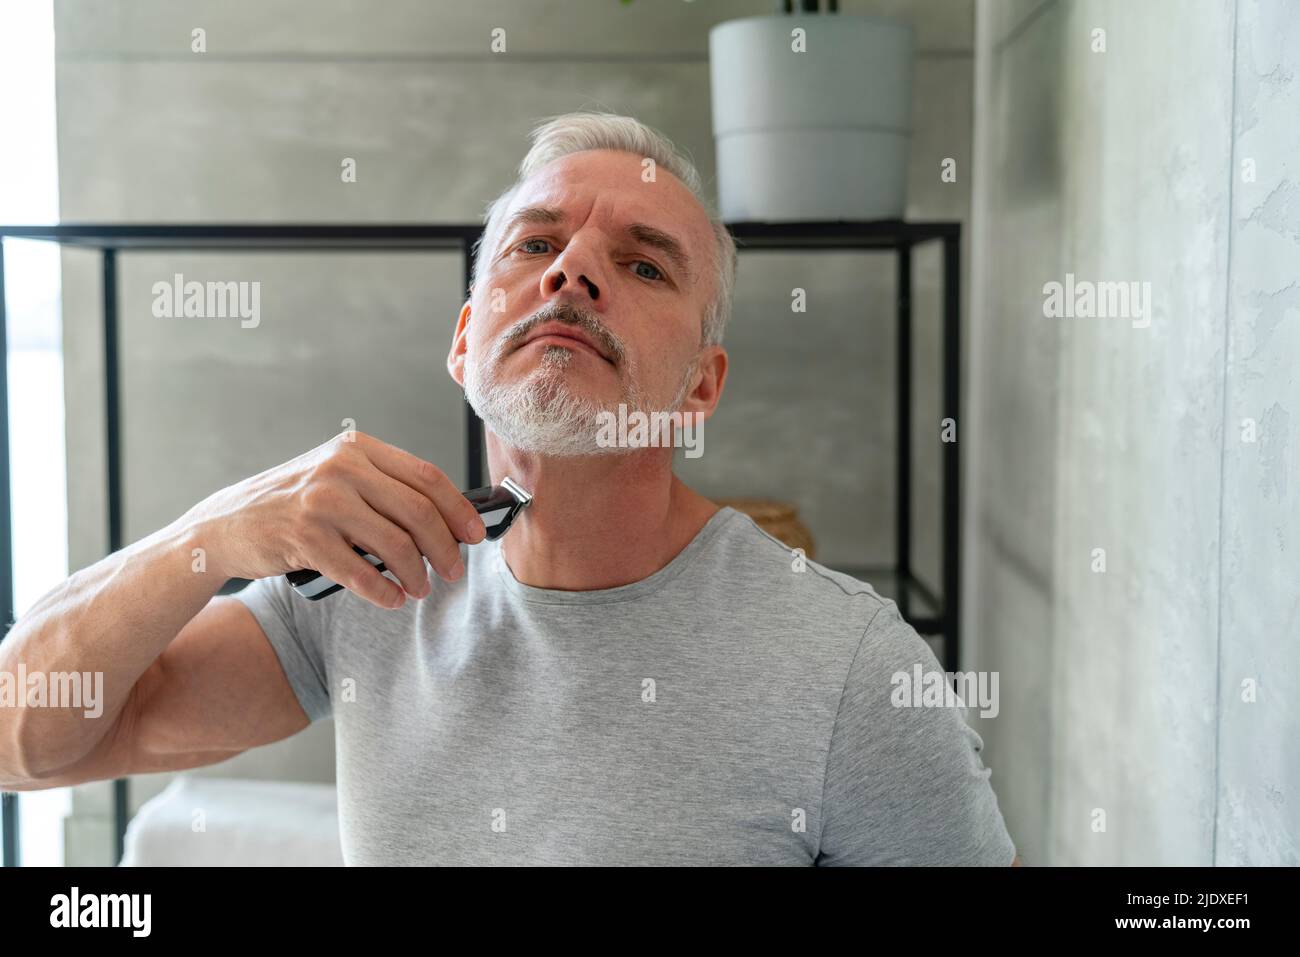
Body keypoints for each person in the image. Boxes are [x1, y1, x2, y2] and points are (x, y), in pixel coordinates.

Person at [0, 111, 1017, 866]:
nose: (571, 271)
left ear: (699, 388)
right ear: (462, 340)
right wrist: (214, 535)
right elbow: (25, 740)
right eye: (535, 245)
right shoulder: (370, 588)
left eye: (643, 265)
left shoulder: (847, 668)